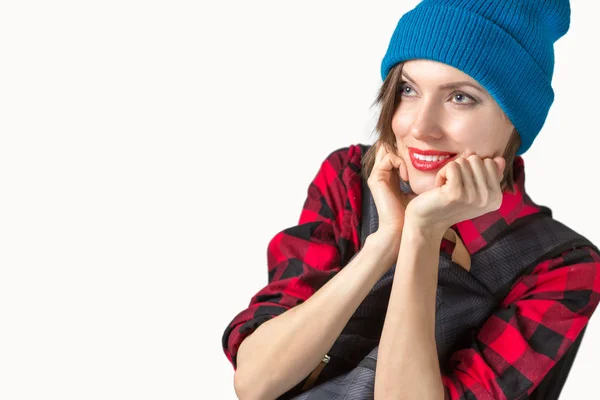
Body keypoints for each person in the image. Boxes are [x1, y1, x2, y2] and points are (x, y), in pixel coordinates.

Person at [222, 0, 600, 399]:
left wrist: (423, 234)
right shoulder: (352, 178)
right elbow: (256, 383)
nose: (420, 127)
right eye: (408, 90)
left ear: (515, 119)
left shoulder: (562, 267)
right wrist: (385, 242)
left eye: (461, 98)